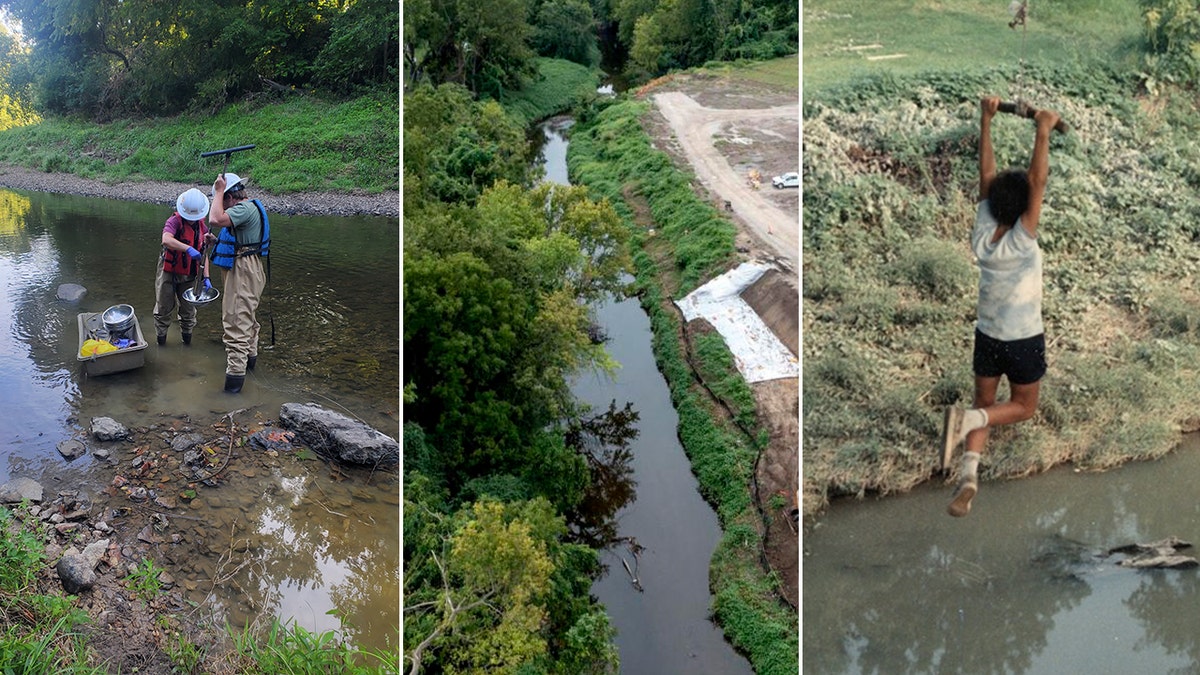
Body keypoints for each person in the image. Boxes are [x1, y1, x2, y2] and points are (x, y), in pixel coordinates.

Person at [941, 96, 1061, 517]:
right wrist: (1043, 128)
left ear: (992, 205)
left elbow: (987, 173)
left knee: (984, 402)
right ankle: (971, 422)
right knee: (1022, 408)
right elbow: (1038, 180)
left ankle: (968, 477)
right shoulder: (1023, 240)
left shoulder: (984, 231)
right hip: (1022, 338)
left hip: (987, 335)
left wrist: (986, 119)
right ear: (1025, 208)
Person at [209, 172, 270, 393]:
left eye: (222, 199)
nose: (221, 205)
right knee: (247, 319)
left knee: (235, 323)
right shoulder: (251, 207)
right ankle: (250, 366)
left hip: (243, 271)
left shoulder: (242, 208)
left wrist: (217, 190)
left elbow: (215, 219)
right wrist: (217, 241)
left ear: (230, 196)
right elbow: (243, 241)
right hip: (249, 268)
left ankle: (232, 391)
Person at [154, 188, 213, 346]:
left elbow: (204, 253)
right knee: (163, 308)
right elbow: (166, 239)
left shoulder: (202, 228)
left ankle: (187, 343)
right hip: (169, 272)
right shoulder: (174, 221)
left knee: (188, 311)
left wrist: (206, 277)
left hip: (189, 275)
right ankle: (161, 344)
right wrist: (187, 248)